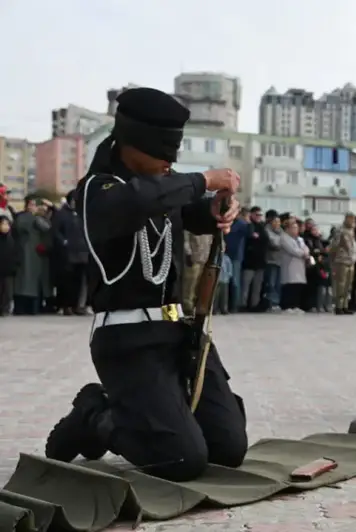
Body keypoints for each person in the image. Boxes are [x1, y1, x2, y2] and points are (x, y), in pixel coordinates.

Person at [44, 87, 247, 482]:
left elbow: (187, 210)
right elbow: (135, 204)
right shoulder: (98, 190)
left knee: (228, 450)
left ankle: (162, 417)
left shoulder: (160, 184)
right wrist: (202, 178)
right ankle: (96, 415)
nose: (169, 163)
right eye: (163, 155)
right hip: (127, 343)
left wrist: (217, 209)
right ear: (130, 145)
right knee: (182, 461)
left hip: (176, 334)